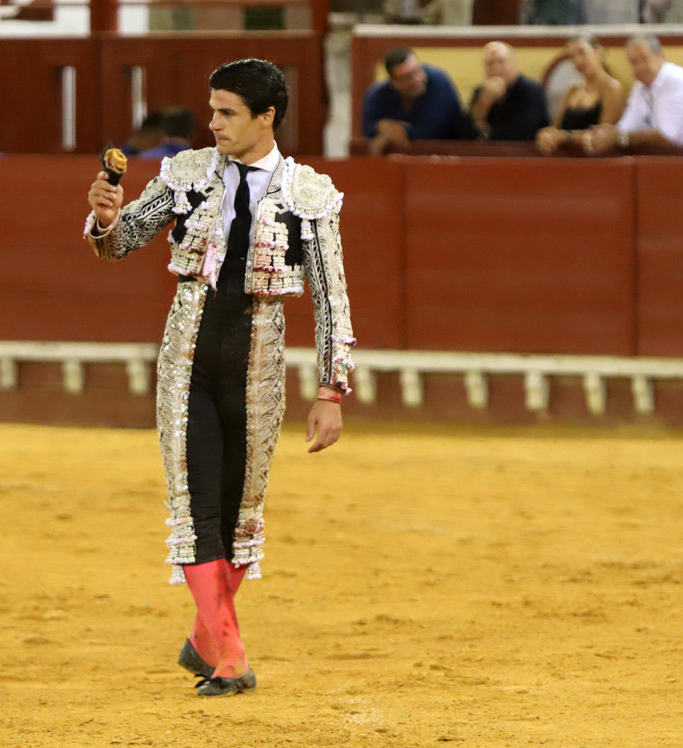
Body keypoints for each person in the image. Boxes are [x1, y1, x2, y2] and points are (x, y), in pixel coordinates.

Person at [85, 59, 355, 698]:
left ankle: (207, 636)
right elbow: (122, 243)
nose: (213, 124)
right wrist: (105, 217)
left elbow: (330, 297)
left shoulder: (308, 193)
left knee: (241, 512)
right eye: (212, 110)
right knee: (196, 503)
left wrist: (329, 391)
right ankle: (229, 656)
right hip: (188, 356)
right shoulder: (184, 175)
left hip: (259, 361)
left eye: (228, 113)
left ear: (267, 117)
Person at [583, 34, 683, 155]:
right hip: (672, 156)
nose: (639, 67)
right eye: (633, 62)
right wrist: (605, 135)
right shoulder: (640, 86)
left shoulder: (674, 79)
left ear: (661, 56)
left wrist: (618, 137)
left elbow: (666, 135)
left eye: (644, 59)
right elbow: (627, 126)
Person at [361, 45, 464, 156]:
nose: (416, 80)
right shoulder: (377, 94)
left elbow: (436, 129)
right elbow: (367, 126)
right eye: (407, 77)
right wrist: (380, 125)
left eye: (417, 71)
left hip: (446, 156)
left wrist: (391, 135)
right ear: (393, 82)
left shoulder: (439, 81)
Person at [536, 33, 623, 155]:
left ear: (598, 51)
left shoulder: (611, 87)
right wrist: (546, 136)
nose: (578, 60)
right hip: (565, 159)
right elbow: (556, 128)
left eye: (582, 52)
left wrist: (566, 137)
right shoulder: (572, 89)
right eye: (572, 57)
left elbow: (604, 136)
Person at [466, 41, 550, 141]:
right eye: (490, 63)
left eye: (501, 62)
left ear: (515, 64)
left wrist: (487, 133)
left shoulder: (532, 90)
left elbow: (524, 132)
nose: (496, 68)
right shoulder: (480, 91)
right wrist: (484, 103)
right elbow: (463, 131)